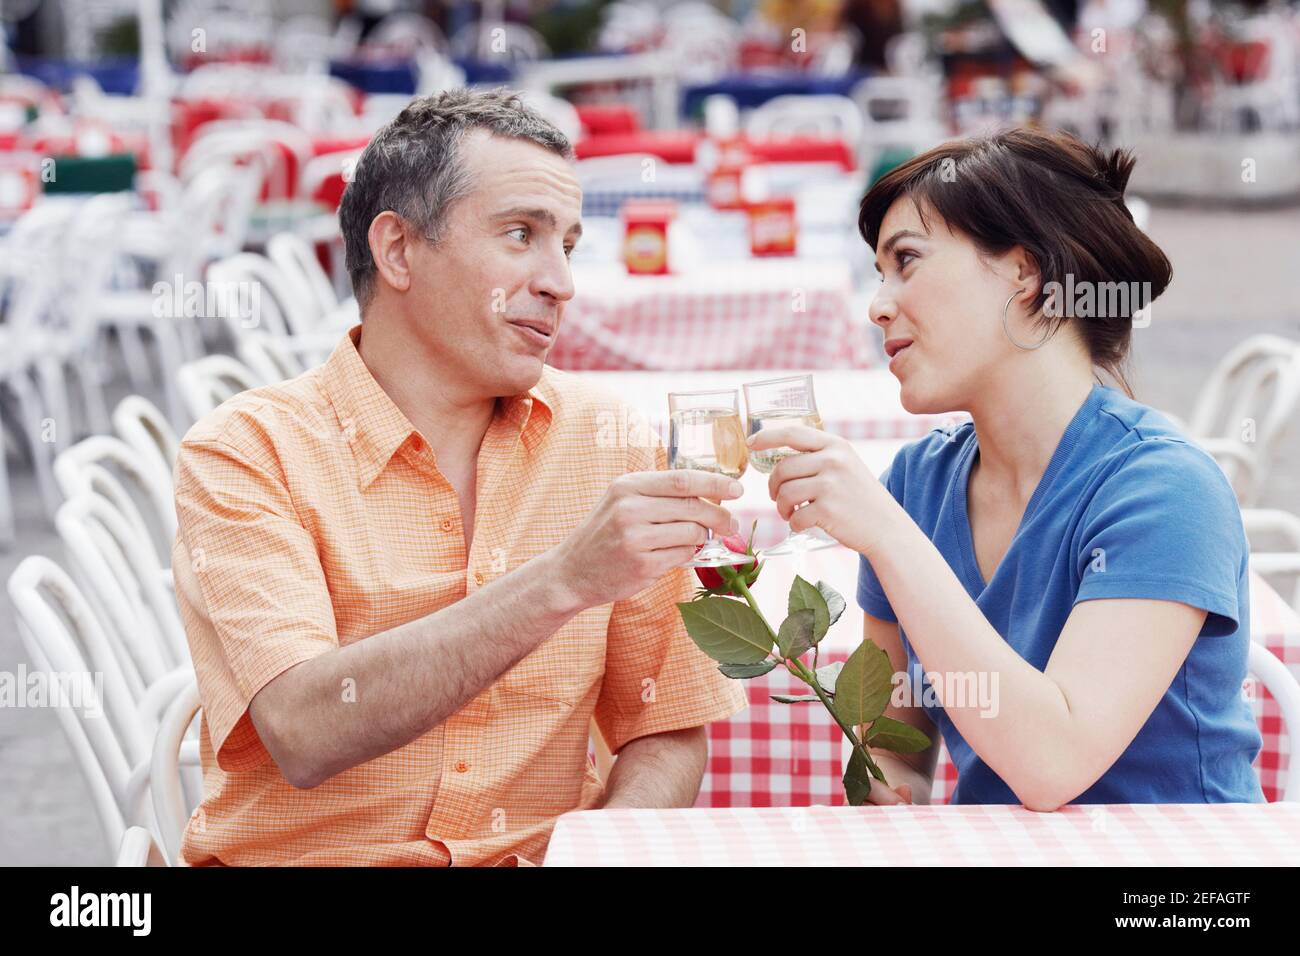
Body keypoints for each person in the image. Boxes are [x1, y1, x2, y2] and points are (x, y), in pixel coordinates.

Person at [172, 88, 747, 866]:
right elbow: (304, 729)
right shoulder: (248, 452)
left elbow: (666, 723)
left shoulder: (607, 440)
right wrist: (564, 581)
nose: (561, 282)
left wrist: (611, 844)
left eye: (568, 246)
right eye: (521, 235)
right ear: (399, 250)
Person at [750, 127, 1264, 808]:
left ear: (1025, 275)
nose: (876, 306)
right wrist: (887, 794)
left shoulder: (1165, 489)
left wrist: (888, 534)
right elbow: (898, 751)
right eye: (879, 275)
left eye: (908, 261)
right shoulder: (916, 484)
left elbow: (1053, 764)